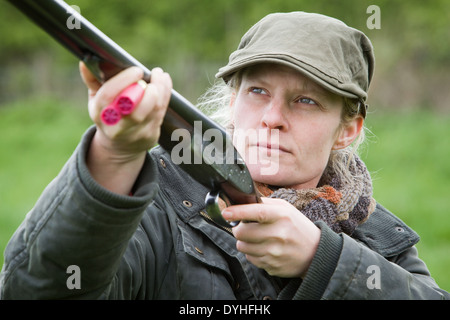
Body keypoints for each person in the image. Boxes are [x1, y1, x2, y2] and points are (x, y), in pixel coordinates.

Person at [0, 11, 448, 300]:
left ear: (347, 130)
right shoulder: (157, 199)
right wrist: (115, 156)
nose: (272, 118)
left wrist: (322, 259)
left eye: (305, 101)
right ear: (232, 102)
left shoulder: (366, 230)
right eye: (257, 91)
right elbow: (36, 292)